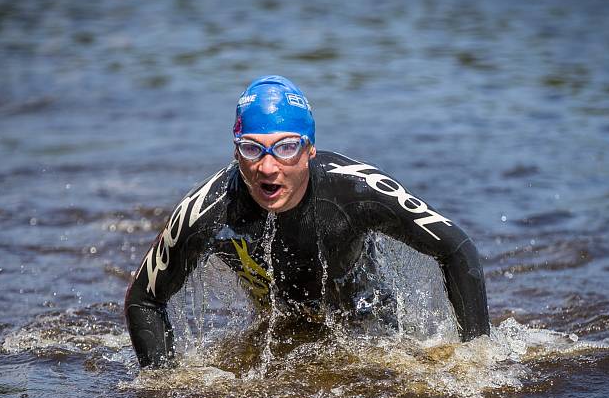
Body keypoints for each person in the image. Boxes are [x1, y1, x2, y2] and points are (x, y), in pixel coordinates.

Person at [125, 75, 490, 369]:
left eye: (286, 147)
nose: (268, 167)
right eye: (252, 148)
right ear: (236, 150)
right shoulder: (209, 210)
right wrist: (163, 387)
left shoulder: (356, 189)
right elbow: (143, 298)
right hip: (279, 329)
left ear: (309, 148)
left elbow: (458, 249)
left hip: (368, 329)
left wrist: (475, 358)